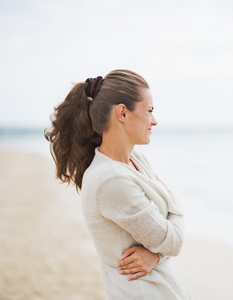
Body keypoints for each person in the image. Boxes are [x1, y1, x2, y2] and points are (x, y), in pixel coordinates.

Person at [45, 69, 192, 299]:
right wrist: (173, 201)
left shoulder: (135, 160)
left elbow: (165, 243)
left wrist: (156, 254)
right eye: (150, 110)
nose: (154, 120)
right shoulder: (111, 180)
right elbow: (173, 242)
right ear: (122, 113)